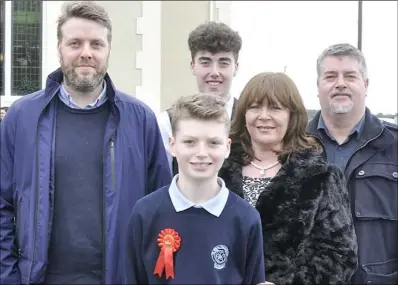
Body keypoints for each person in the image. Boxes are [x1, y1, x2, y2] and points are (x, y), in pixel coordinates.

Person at [0, 2, 171, 284]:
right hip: (41, 278)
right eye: (75, 43)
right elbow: (3, 203)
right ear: (59, 48)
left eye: (96, 44)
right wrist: (8, 277)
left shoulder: (140, 120)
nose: (86, 53)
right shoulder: (22, 117)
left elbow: (162, 207)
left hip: (120, 277)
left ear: (109, 50)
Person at [219, 72, 358, 284]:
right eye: (255, 107)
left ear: (292, 115)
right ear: (243, 114)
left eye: (275, 108)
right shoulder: (218, 170)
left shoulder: (321, 176)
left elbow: (340, 256)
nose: (264, 116)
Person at [124, 93, 265, 285]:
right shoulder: (145, 213)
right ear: (172, 145)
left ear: (227, 147)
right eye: (189, 142)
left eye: (213, 143)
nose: (201, 153)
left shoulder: (246, 219)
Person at [307, 43, 398, 284]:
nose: (340, 83)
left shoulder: (393, 145)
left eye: (350, 76)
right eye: (330, 76)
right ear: (318, 86)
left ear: (365, 85)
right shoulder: (295, 146)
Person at [157, 21, 242, 175]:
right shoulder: (167, 122)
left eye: (223, 63)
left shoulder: (248, 118)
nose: (215, 72)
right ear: (192, 66)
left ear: (236, 67)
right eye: (206, 62)